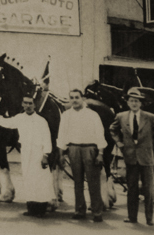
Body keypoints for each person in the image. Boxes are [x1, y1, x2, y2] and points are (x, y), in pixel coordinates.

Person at [110, 88, 154, 226]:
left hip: (146, 159)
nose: (134, 103)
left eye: (136, 101)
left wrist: (151, 143)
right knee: (132, 189)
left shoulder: (150, 117)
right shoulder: (121, 116)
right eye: (131, 101)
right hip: (130, 158)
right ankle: (132, 217)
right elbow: (112, 129)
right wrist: (119, 142)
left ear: (141, 103)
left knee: (148, 190)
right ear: (127, 103)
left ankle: (149, 218)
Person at [0, 95, 53, 217]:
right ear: (22, 104)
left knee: (40, 179)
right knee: (28, 178)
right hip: (26, 153)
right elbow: (6, 122)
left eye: (30, 103)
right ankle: (31, 208)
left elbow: (47, 139)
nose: (28, 106)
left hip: (38, 153)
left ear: (34, 105)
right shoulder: (19, 118)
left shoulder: (41, 121)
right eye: (25, 103)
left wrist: (45, 155)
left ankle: (41, 209)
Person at [57, 89, 106, 222]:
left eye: (77, 97)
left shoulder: (93, 114)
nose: (74, 100)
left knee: (93, 182)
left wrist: (100, 153)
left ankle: (97, 212)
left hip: (90, 149)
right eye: (71, 97)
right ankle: (79, 210)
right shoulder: (66, 115)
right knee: (77, 182)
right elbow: (61, 135)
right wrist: (61, 154)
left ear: (82, 98)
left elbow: (100, 134)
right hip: (73, 149)